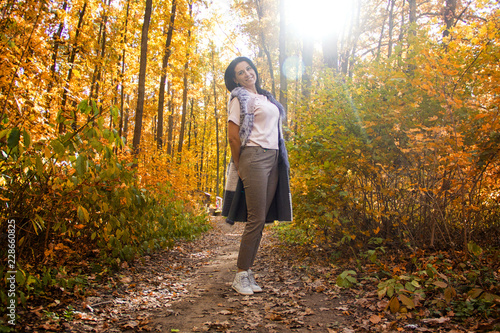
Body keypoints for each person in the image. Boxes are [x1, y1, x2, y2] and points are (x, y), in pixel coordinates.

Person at [221, 57, 293, 295]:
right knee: (255, 218)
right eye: (240, 72)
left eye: (249, 69)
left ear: (254, 70)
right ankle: (240, 274)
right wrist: (240, 164)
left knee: (261, 219)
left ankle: (248, 271)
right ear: (235, 79)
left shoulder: (266, 98)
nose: (247, 74)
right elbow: (233, 136)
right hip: (253, 157)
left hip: (274, 158)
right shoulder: (238, 98)